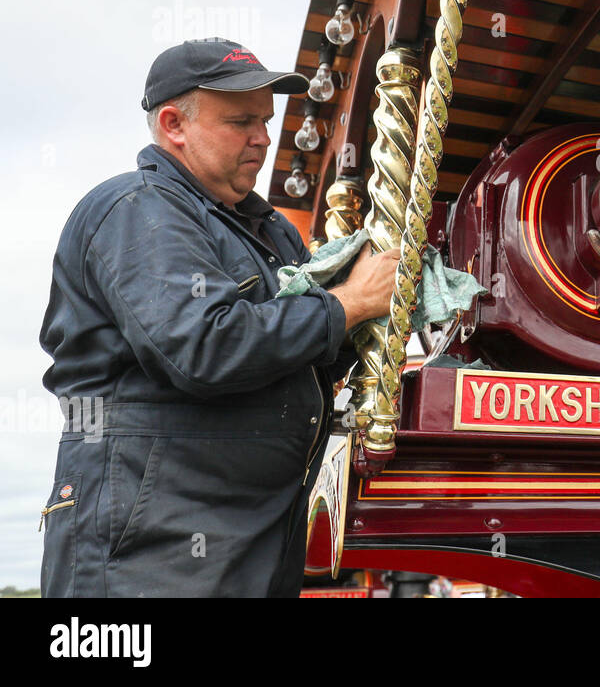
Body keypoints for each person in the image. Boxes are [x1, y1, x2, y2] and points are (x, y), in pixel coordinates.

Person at [38, 38, 399, 597]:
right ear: (173, 123)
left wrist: (373, 313)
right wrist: (351, 303)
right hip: (153, 548)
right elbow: (202, 346)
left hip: (249, 539)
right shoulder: (136, 209)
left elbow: (304, 353)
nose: (262, 138)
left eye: (265, 121)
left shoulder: (273, 232)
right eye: (240, 122)